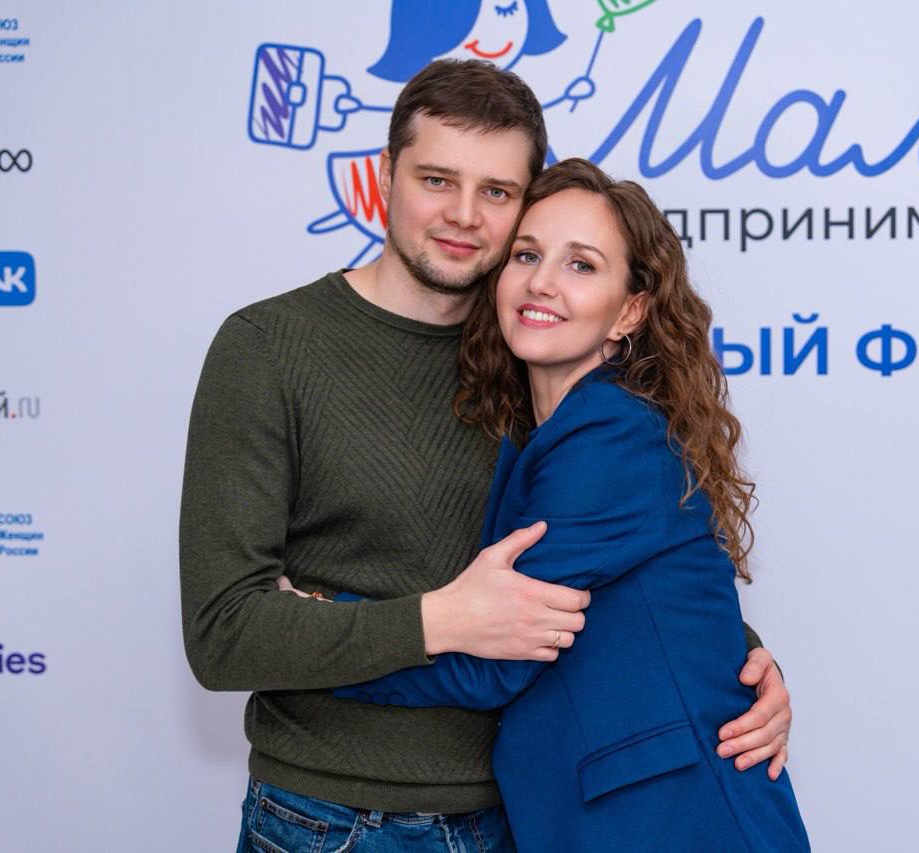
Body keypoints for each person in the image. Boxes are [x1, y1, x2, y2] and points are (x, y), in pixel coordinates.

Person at [179, 60, 793, 852]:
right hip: (332, 818)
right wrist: (436, 620)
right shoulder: (268, 347)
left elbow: (595, 572)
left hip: (516, 819)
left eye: (497, 192)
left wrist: (745, 663)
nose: (464, 215)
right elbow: (225, 632)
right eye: (437, 179)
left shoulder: (533, 358)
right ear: (384, 176)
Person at [328, 158, 810, 851]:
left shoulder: (611, 435)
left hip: (679, 822)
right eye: (526, 255)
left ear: (630, 311)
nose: (541, 281)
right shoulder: (546, 433)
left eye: (581, 265)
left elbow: (499, 659)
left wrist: (317, 637)